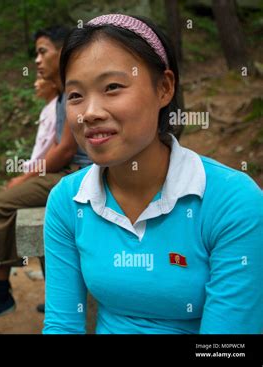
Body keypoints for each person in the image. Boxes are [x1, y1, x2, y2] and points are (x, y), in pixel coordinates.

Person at [43, 14, 263, 334]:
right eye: (75, 95)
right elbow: (62, 324)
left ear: (164, 88)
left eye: (113, 87)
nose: (90, 112)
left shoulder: (233, 201)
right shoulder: (67, 201)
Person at [0, 26, 92, 329]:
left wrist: (27, 177)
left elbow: (65, 149)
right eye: (36, 53)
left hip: (79, 173)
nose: (36, 60)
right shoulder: (61, 95)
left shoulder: (76, 89)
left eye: (43, 51)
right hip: (65, 171)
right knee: (7, 205)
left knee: (1, 204)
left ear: (63, 51)